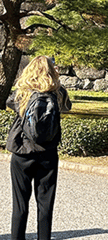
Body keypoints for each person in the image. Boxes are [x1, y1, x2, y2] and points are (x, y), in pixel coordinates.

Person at [6, 55, 72, 240]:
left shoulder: (23, 91)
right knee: (45, 204)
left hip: (22, 151)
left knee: (20, 204)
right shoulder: (59, 93)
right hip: (48, 153)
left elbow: (9, 103)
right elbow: (68, 107)